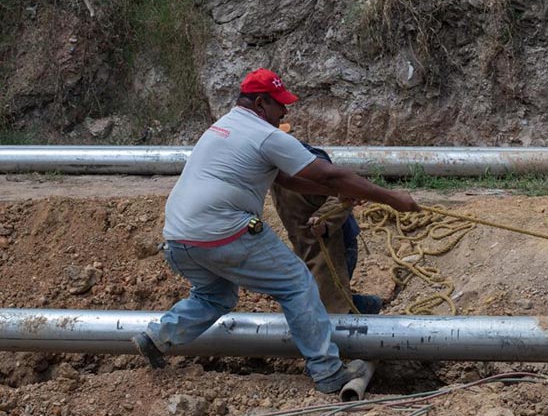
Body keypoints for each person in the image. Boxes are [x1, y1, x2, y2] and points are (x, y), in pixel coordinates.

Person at [131, 68, 419, 394]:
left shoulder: (222, 127)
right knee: (297, 284)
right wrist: (393, 198)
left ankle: (158, 337)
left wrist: (339, 194)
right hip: (223, 230)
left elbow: (284, 179)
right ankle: (328, 372)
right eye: (279, 104)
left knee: (215, 296)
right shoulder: (266, 135)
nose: (285, 112)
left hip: (179, 239)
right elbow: (330, 176)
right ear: (260, 103)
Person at [271, 140, 383, 315]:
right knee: (313, 301)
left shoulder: (312, 161)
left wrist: (323, 221)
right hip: (304, 245)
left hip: (333, 245)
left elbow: (340, 194)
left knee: (327, 305)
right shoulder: (272, 167)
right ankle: (365, 307)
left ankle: (367, 310)